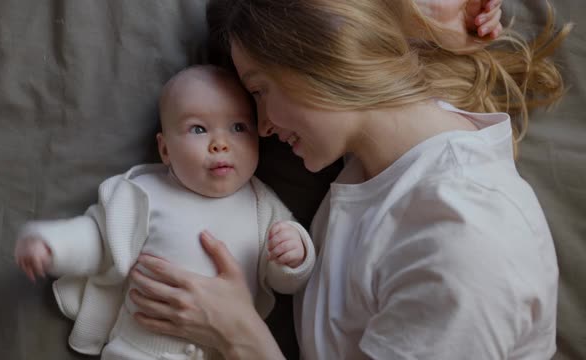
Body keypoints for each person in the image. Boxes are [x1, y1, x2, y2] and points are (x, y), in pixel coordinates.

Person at [125, 0, 572, 359]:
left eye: (260, 90)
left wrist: (238, 333)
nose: (261, 126)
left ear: (322, 57)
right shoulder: (389, 152)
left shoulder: (462, 242)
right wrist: (439, 18)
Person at [14, 65, 316, 360]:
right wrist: (52, 245)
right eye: (198, 129)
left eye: (238, 127)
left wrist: (295, 254)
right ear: (166, 150)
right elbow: (98, 239)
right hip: (139, 349)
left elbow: (285, 282)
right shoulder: (145, 193)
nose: (220, 144)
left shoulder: (262, 204)